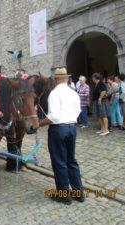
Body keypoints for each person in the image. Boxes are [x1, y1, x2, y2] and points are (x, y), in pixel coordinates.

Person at [40, 68, 84, 205]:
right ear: (66, 79)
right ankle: (78, 193)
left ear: (57, 79)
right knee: (71, 160)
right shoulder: (73, 93)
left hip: (58, 129)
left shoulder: (54, 93)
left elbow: (54, 116)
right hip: (71, 128)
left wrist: (39, 124)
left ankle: (64, 195)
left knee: (59, 162)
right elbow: (78, 111)